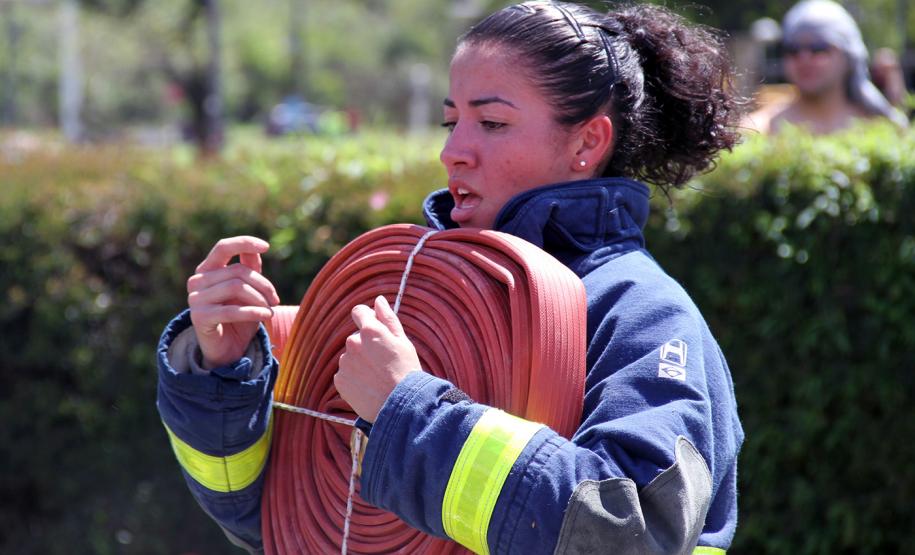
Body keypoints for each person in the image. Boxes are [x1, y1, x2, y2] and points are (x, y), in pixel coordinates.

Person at [157, 2, 745, 553]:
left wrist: (409, 413)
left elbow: (632, 532)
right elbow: (288, 523)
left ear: (587, 142)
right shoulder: (418, 299)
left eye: (491, 122)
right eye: (450, 121)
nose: (454, 152)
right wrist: (223, 372)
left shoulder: (642, 313)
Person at [745, 0, 908, 134]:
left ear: (848, 56)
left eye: (818, 48)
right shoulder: (757, 131)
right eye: (793, 50)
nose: (804, 58)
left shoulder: (882, 130)